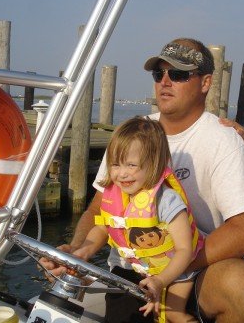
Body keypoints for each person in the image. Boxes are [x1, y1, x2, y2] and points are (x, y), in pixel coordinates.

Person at [41, 38, 244, 323]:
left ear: (206, 83)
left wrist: (170, 269)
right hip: (130, 271)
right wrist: (76, 252)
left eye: (180, 74)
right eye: (159, 74)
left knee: (243, 287)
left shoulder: (223, 141)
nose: (165, 81)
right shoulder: (131, 134)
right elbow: (99, 209)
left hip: (197, 269)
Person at [71, 116, 204, 322]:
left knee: (172, 315)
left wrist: (160, 281)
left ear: (154, 164)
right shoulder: (116, 195)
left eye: (131, 165)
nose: (122, 174)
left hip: (177, 272)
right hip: (139, 271)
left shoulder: (166, 200)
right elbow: (104, 227)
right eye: (115, 165)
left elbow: (185, 250)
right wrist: (84, 251)